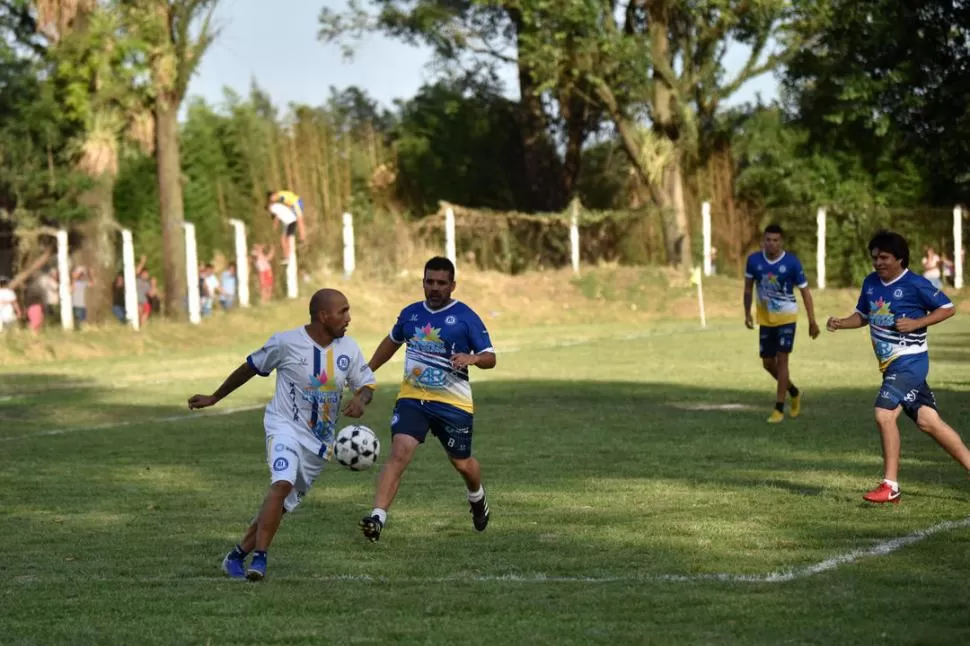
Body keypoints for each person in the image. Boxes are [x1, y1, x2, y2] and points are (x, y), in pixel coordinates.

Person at [187, 289, 376, 580]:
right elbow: (250, 367)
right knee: (282, 482)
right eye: (343, 311)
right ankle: (260, 559)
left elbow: (366, 384)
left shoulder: (348, 349)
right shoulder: (286, 343)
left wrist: (360, 401)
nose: (349, 318)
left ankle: (236, 556)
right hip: (283, 426)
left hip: (319, 444)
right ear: (323, 316)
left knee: (282, 505)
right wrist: (215, 397)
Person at [826, 230, 970, 503]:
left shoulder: (915, 283)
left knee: (884, 414)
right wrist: (841, 323)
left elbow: (948, 307)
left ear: (900, 258)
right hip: (891, 365)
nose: (878, 263)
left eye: (884, 257)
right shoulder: (870, 283)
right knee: (929, 422)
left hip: (909, 363)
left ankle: (890, 485)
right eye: (875, 258)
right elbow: (864, 316)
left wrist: (917, 323)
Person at [360, 256, 496, 543]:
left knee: (462, 464)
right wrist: (366, 371)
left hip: (452, 403)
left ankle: (477, 496)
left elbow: (490, 357)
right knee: (399, 453)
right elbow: (391, 342)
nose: (434, 288)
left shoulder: (465, 317)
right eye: (429, 282)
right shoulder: (410, 314)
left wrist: (472, 357)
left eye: (441, 283)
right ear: (423, 282)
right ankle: (377, 518)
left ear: (452, 285)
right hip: (413, 399)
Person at [743, 224, 820, 423]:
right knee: (768, 363)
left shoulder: (792, 263)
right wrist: (747, 313)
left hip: (787, 317)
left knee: (782, 359)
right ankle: (793, 391)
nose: (772, 243)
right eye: (768, 239)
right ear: (763, 241)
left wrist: (812, 320)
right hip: (766, 319)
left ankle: (779, 408)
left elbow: (805, 292)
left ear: (782, 242)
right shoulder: (754, 261)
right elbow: (748, 289)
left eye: (776, 240)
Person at [266, 190, 307, 263]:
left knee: (300, 221)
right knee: (299, 221)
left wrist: (290, 209)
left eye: (272, 198)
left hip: (295, 203)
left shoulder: (280, 196)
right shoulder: (280, 196)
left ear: (273, 195)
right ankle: (302, 239)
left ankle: (302, 239)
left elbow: (287, 202)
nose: (272, 200)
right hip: (294, 203)